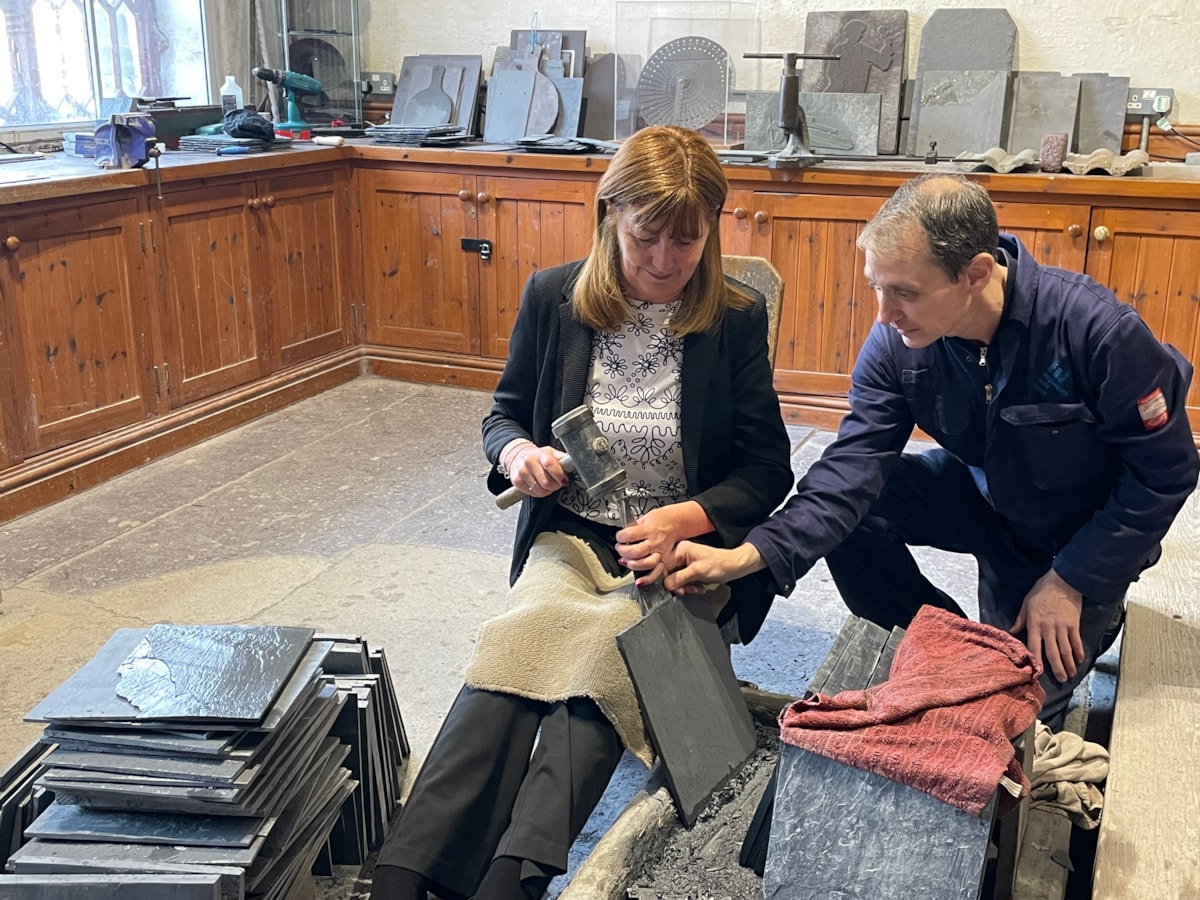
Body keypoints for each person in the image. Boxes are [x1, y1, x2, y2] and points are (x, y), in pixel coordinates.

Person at [370, 125, 792, 900]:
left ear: (712, 235)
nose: (665, 261)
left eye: (686, 242)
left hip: (675, 552)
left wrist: (688, 518)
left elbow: (768, 469)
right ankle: (402, 875)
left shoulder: (731, 318)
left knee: (602, 659)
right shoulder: (556, 298)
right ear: (609, 217)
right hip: (570, 532)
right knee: (515, 647)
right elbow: (501, 415)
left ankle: (512, 879)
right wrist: (516, 454)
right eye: (646, 239)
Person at [662, 173, 1199, 728]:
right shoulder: (898, 345)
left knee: (1007, 714)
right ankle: (946, 644)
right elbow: (850, 471)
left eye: (905, 293)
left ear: (975, 274)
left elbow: (1166, 471)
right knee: (863, 517)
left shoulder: (1095, 332)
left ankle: (1074, 617)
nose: (883, 314)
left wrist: (1076, 579)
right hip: (982, 495)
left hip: (1072, 537)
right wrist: (747, 557)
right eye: (877, 287)